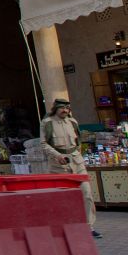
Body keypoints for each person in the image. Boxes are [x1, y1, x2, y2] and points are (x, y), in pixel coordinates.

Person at [40, 98, 98, 237]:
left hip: (77, 163)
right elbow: (43, 144)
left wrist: (76, 154)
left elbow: (78, 141)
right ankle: (64, 227)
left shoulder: (73, 122)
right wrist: (57, 155)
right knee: (61, 197)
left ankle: (88, 227)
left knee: (87, 193)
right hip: (58, 165)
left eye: (67, 108)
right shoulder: (47, 123)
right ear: (56, 109)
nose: (65, 111)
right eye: (62, 108)